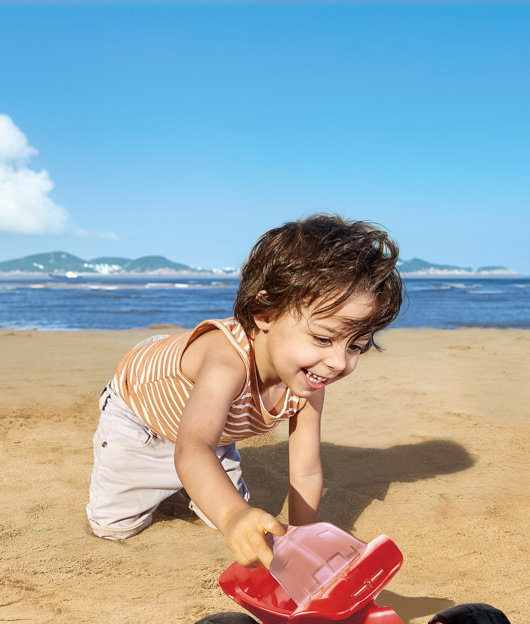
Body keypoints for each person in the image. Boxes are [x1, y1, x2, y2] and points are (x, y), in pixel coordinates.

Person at [86, 214, 404, 569]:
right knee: (115, 526)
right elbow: (193, 448)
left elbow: (306, 472)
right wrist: (233, 515)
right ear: (265, 313)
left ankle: (189, 483)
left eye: (356, 346)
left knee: (244, 525)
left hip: (212, 429)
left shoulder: (310, 378)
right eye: (323, 338)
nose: (337, 362)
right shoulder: (227, 364)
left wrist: (301, 539)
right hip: (144, 414)